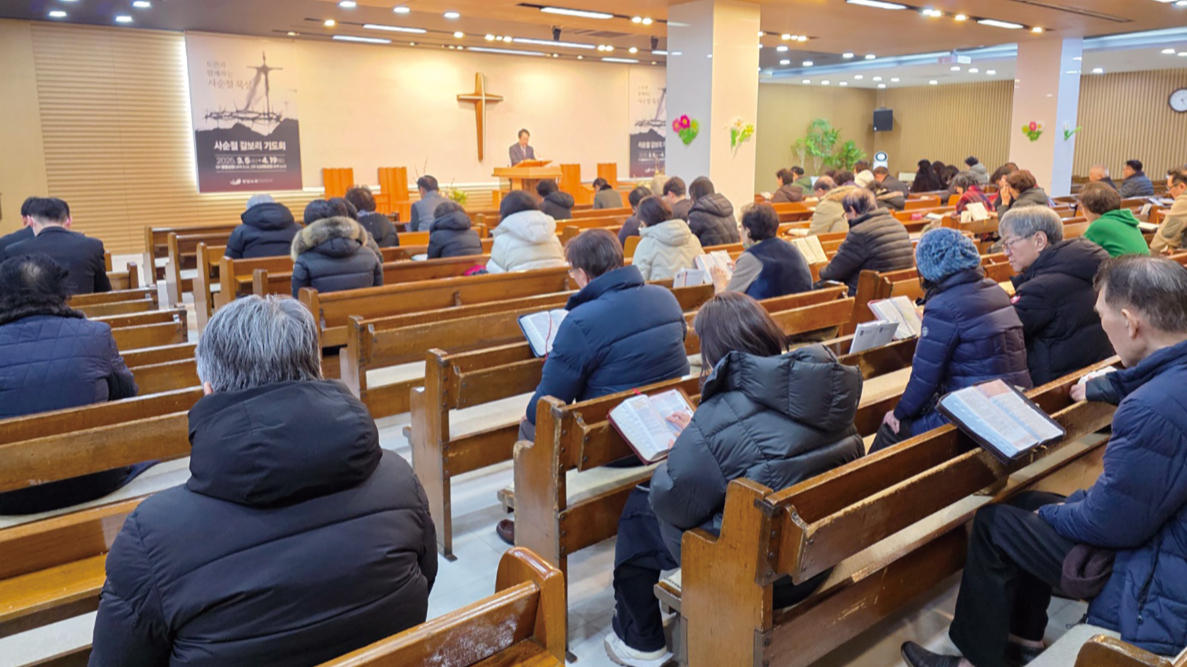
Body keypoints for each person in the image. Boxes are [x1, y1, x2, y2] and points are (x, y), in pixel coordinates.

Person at [88, 295, 438, 667]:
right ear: (316, 369)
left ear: (208, 390)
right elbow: (423, 585)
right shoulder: (401, 481)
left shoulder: (154, 534)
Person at [902, 255, 1187, 667]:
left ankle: (974, 661)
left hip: (1154, 579)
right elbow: (1154, 383)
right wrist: (1103, 387)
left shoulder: (1148, 410)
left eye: (1102, 317)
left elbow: (1111, 523)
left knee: (994, 525)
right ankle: (1024, 641)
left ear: (1130, 322)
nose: (1103, 328)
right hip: (1166, 535)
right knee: (1024, 503)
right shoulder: (1170, 374)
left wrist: (1058, 512)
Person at [604, 293, 864, 666]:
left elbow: (669, 498)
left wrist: (688, 443)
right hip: (819, 553)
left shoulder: (720, 412)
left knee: (638, 509)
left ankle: (640, 640)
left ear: (715, 355)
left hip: (764, 579)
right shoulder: (820, 386)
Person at [497, 229, 689, 544]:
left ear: (583, 274)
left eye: (571, 271)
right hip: (669, 430)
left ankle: (531, 523)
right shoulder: (665, 297)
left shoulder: (581, 320)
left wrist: (529, 414)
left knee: (533, 425)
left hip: (614, 446)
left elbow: (549, 400)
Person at [0, 254, 143, 515]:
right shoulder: (94, 333)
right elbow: (128, 392)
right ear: (60, 291)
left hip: (9, 493)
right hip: (96, 480)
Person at [871, 228, 1031, 453]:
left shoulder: (942, 306)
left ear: (929, 268)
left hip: (977, 410)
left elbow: (924, 378)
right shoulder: (994, 289)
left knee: (892, 429)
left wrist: (899, 412)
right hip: (1012, 401)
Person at [1001, 207, 1113, 385]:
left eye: (1009, 243)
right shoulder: (1090, 264)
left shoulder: (1039, 290)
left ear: (1039, 240)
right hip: (1092, 375)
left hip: (1053, 391)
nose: (1006, 252)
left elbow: (1001, 339)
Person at [4, 197, 109, 295]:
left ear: (31, 222)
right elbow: (104, 293)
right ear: (69, 221)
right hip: (81, 313)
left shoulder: (14, 251)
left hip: (35, 313)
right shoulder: (92, 246)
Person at [818, 188, 913, 295]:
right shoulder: (897, 225)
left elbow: (833, 272)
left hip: (866, 296)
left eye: (846, 214)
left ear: (852, 210)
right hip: (896, 292)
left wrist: (819, 271)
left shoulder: (860, 233)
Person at [723, 203, 812, 299]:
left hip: (766, 312)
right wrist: (741, 267)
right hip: (801, 308)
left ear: (748, 231)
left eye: (741, 228)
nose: (740, 232)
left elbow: (725, 302)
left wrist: (720, 283)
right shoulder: (792, 248)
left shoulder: (751, 256)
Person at [290, 215, 383, 298]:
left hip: (320, 317)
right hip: (366, 314)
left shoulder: (304, 261)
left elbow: (299, 302)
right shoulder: (370, 255)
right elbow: (378, 294)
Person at [486, 190, 566, 273]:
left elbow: (493, 273)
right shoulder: (552, 235)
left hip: (517, 285)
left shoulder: (503, 239)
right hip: (554, 285)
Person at [632, 196, 704, 281]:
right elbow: (704, 270)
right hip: (695, 293)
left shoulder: (646, 245)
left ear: (644, 220)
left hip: (660, 293)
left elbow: (637, 280)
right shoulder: (693, 239)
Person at [1079, 182, 1151, 258]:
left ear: (1086, 208)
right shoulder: (1126, 220)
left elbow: (1081, 256)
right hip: (1143, 268)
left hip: (1123, 269)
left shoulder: (1098, 226)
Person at [225, 194, 301, 260]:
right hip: (292, 274)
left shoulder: (240, 232)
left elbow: (231, 260)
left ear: (249, 209)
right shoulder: (297, 229)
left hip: (251, 275)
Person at [687, 177, 740, 247]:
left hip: (708, 256)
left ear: (694, 195)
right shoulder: (727, 208)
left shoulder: (696, 214)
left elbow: (689, 242)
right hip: (732, 255)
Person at [1150, 166, 1187, 255]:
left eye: (1170, 188)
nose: (1169, 192)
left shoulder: (1183, 201)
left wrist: (1150, 255)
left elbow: (1166, 235)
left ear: (1182, 186)